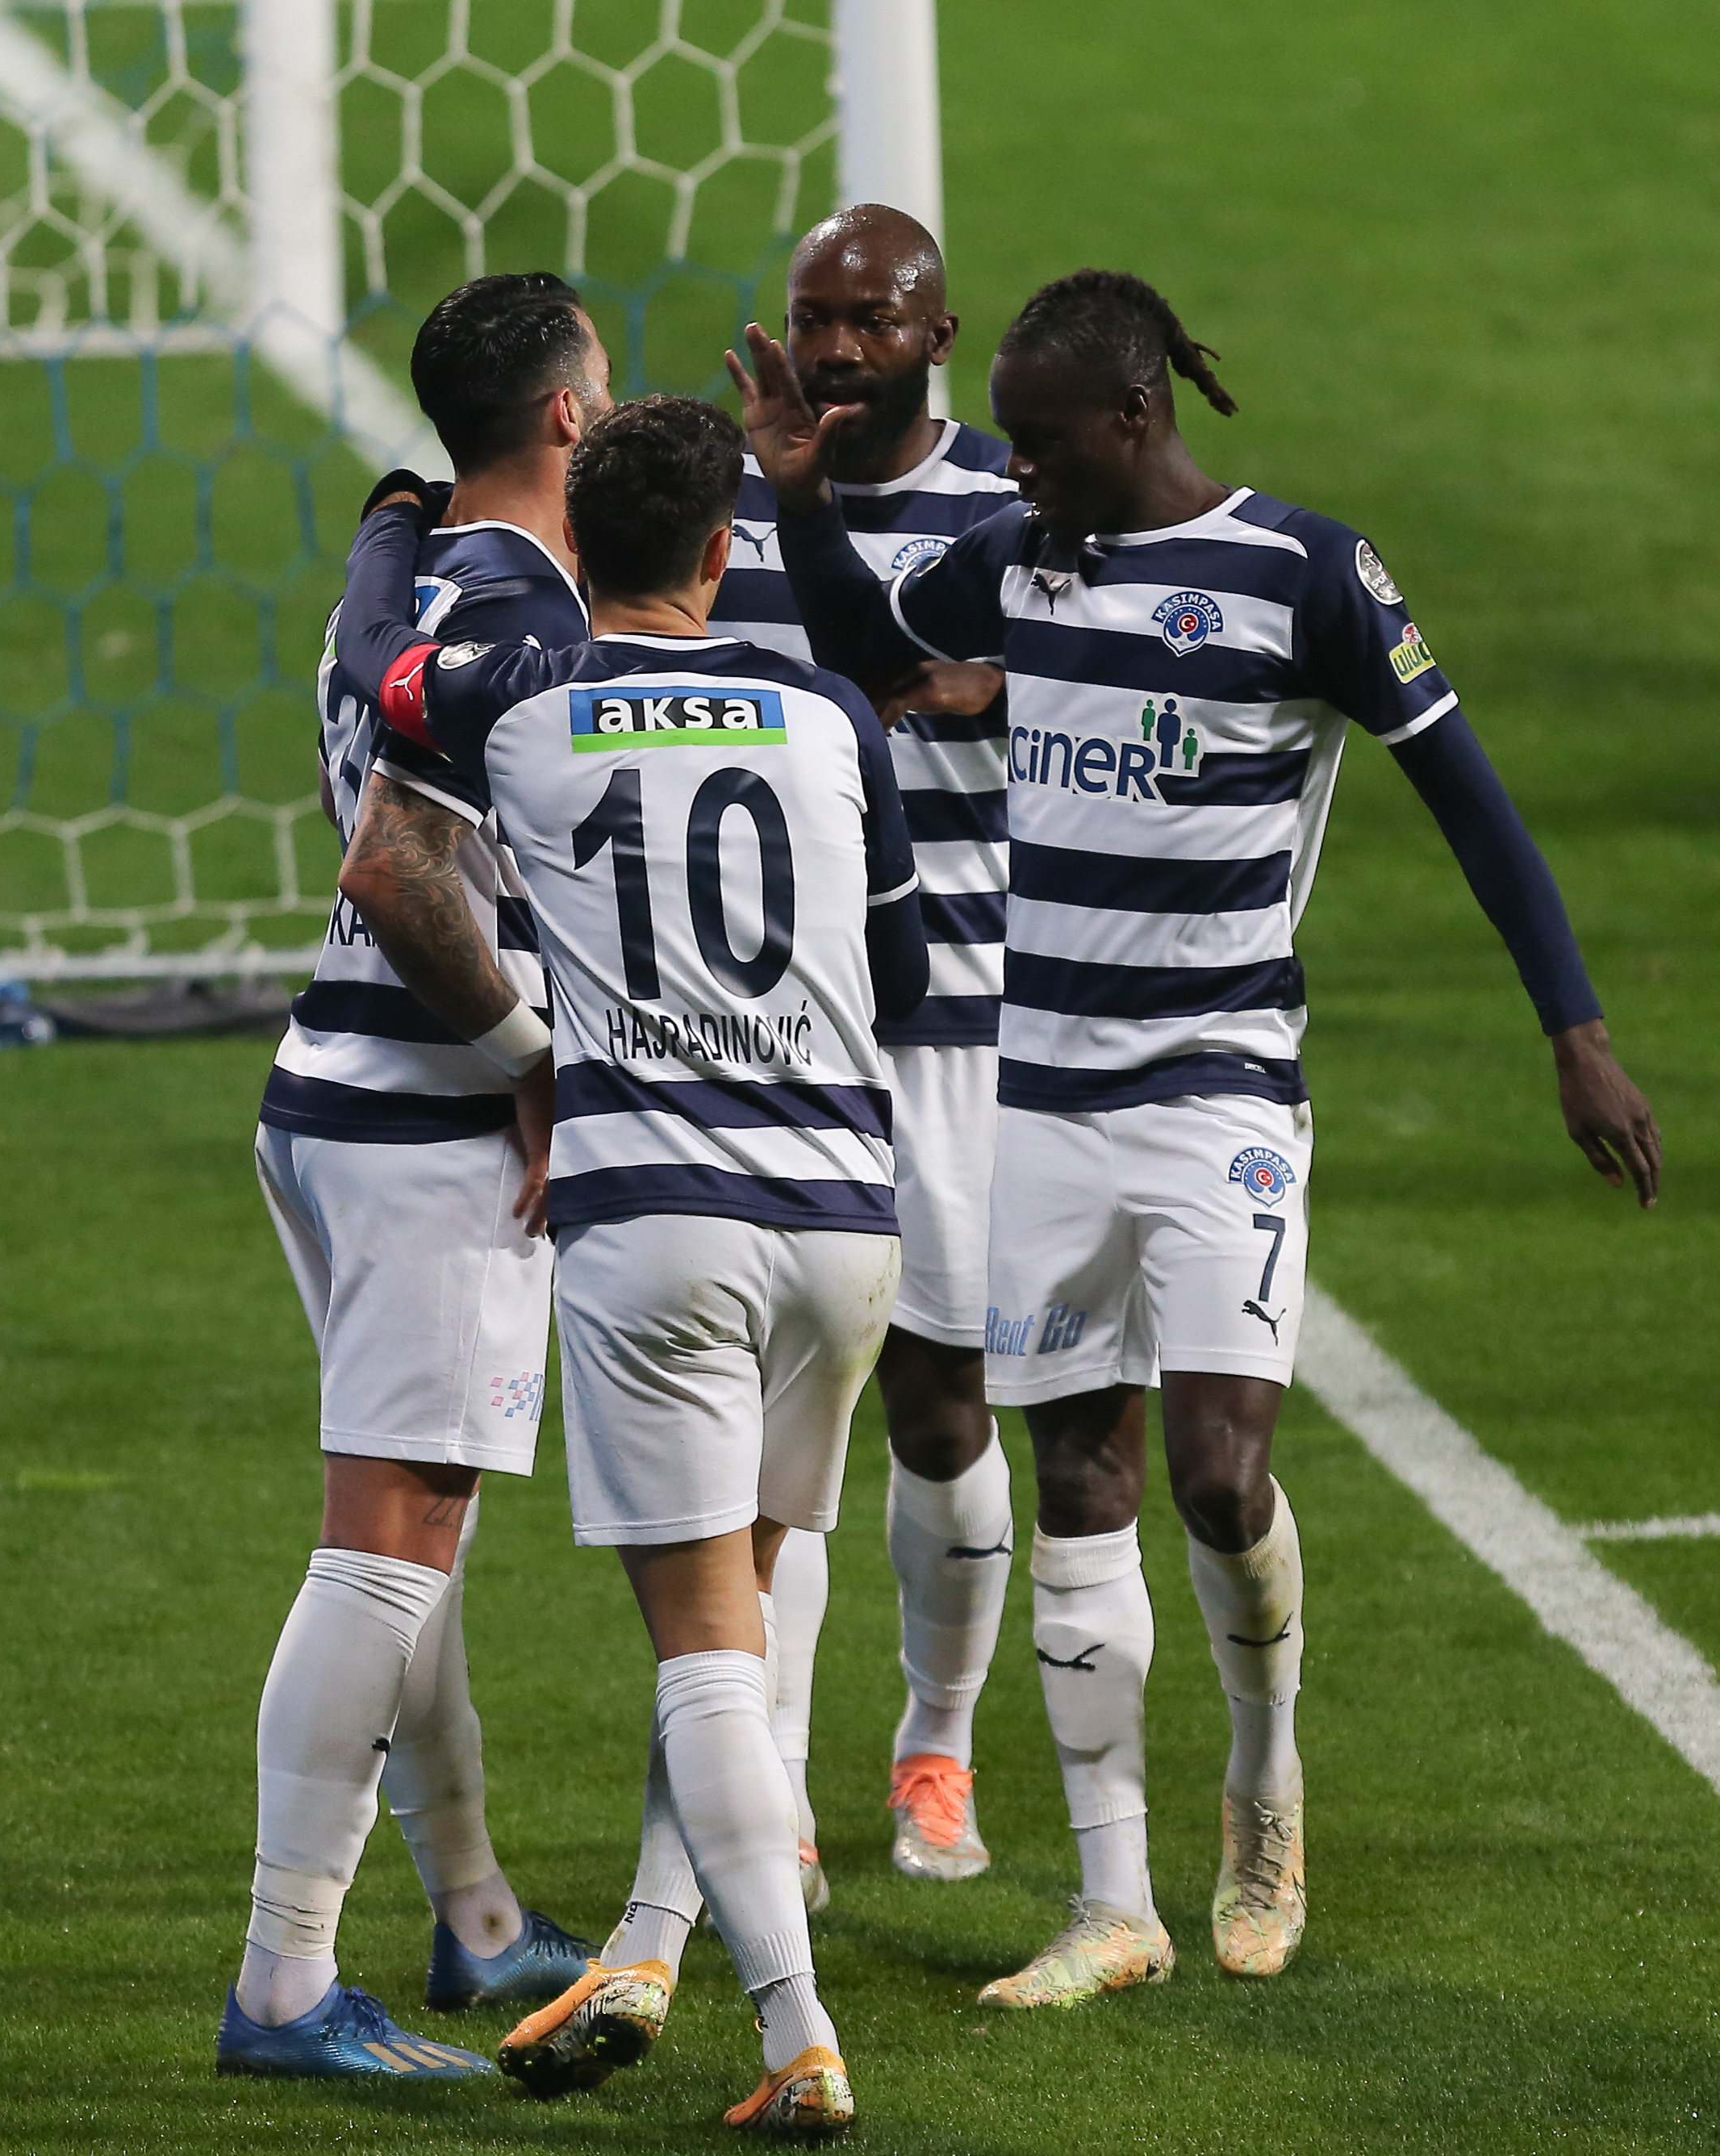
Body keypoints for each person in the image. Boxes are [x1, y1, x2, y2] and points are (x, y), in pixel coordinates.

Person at [728, 267, 1661, 2009]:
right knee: (1078, 1484)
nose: (1016, 468)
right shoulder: (1025, 554)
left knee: (1220, 1478)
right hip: (1041, 1096)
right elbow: (875, 654)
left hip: (1219, 1090)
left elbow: (1472, 804)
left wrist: (1577, 1034)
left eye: (1044, 440)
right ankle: (1113, 1906)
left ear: (1134, 416)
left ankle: (1263, 1784)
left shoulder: (1306, 574)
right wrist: (795, 504)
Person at [333, 395, 929, 2137]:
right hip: (845, 1219)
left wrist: (391, 528)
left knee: (703, 1648)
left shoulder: (520, 694)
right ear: (725, 551)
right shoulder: (828, 711)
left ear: (575, 544)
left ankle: (798, 2036)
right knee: (747, 1606)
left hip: (657, 1218)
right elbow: (897, 965)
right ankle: (654, 1948)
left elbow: (378, 673)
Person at [216, 274, 611, 2083]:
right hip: (429, 1131)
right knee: (387, 1544)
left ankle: (474, 1916)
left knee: (422, 1527)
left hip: (333, 1096)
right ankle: (284, 1985)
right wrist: (535, 1060)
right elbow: (391, 865)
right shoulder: (520, 611)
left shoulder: (406, 581)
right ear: (566, 416)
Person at [712, 203, 1018, 1896]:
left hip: (958, 1023)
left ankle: (937, 1745)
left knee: (939, 1401)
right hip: (772, 1026)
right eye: (812, 315)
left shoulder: (1012, 506)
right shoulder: (727, 508)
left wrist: (997, 693)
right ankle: (774, 1795)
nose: (833, 348)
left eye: (869, 320)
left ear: (935, 336)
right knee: (779, 1418)